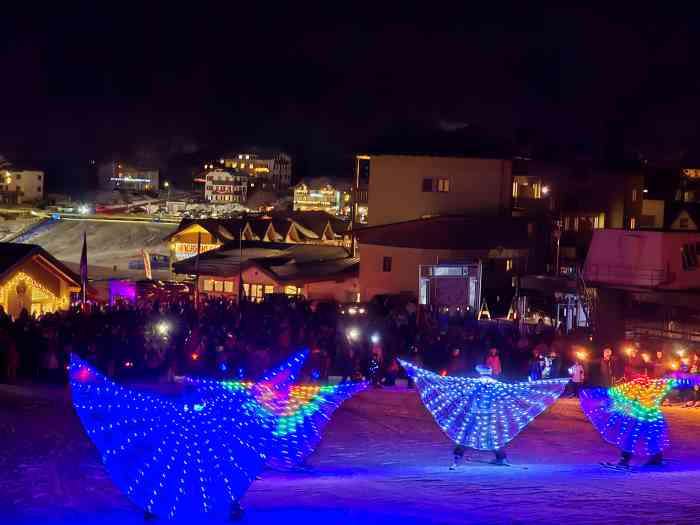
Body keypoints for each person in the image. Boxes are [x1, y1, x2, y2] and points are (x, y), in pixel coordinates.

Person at [399, 360, 569, 469]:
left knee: (467, 434)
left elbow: (450, 384)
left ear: (480, 372)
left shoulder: (474, 384)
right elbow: (515, 389)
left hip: (475, 414)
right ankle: (500, 457)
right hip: (488, 414)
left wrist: (421, 375)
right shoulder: (495, 384)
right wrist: (548, 385)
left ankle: (459, 456)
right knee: (490, 436)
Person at [580, 373, 700, 468]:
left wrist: (591, 394)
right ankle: (656, 458)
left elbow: (611, 392)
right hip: (654, 417)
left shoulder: (633, 385)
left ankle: (624, 461)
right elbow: (682, 381)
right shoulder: (658, 383)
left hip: (638, 416)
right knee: (654, 436)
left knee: (629, 437)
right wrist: (695, 379)